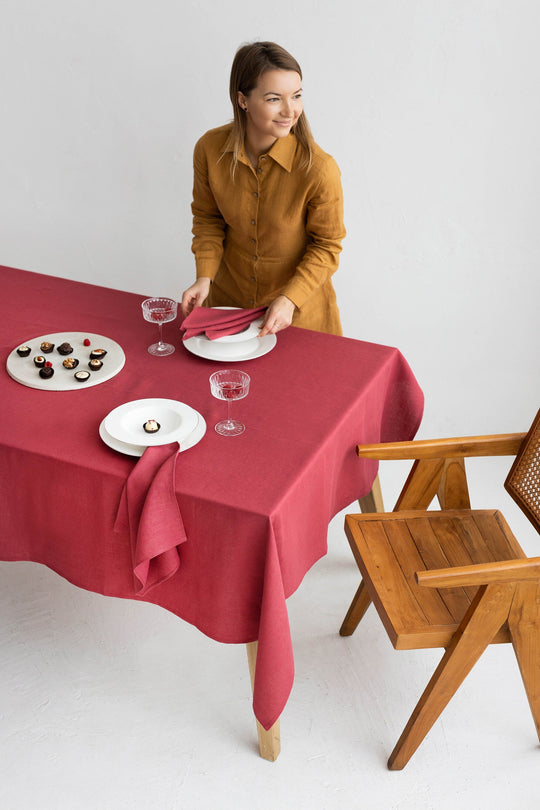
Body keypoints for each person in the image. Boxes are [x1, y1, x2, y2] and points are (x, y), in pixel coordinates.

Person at [181, 41, 346, 337]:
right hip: (229, 312)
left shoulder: (320, 169)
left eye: (296, 96)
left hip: (300, 318)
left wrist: (289, 299)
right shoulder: (209, 149)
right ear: (243, 100)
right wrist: (204, 276)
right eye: (274, 99)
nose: (289, 110)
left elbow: (327, 245)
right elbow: (208, 220)